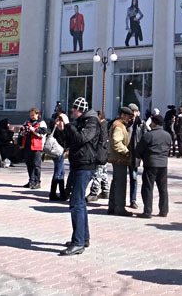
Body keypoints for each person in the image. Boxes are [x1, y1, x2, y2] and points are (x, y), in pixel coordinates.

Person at [59, 97, 100, 256]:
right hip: (78, 164)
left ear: (80, 110)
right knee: (80, 202)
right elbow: (71, 142)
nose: (72, 112)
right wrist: (63, 129)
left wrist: (68, 124)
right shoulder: (81, 122)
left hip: (86, 165)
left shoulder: (92, 122)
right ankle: (84, 238)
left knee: (76, 203)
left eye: (74, 110)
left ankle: (78, 243)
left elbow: (81, 139)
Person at [135, 114, 172, 218]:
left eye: (152, 122)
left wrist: (142, 157)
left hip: (150, 164)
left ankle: (147, 211)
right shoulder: (167, 135)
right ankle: (164, 210)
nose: (150, 124)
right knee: (163, 188)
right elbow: (169, 148)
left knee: (148, 188)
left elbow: (139, 149)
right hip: (163, 164)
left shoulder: (149, 135)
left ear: (155, 123)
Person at [108, 106, 134, 217]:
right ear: (122, 115)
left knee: (116, 182)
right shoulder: (119, 126)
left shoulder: (118, 124)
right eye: (128, 116)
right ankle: (119, 208)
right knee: (120, 184)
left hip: (118, 159)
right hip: (120, 159)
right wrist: (126, 152)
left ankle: (112, 206)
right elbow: (116, 142)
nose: (129, 119)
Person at [20, 108, 47, 190]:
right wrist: (23, 131)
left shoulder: (41, 123)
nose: (31, 116)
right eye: (30, 115)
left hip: (37, 146)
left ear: (37, 114)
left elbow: (43, 134)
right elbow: (22, 131)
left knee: (36, 165)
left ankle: (37, 182)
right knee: (29, 164)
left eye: (33, 115)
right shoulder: (27, 122)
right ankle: (31, 181)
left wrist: (33, 130)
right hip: (28, 146)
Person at [86, 110, 111, 202]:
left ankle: (94, 192)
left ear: (100, 116)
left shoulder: (102, 125)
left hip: (101, 152)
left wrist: (98, 151)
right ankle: (105, 190)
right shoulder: (105, 125)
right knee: (103, 171)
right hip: (104, 152)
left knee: (97, 172)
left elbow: (102, 140)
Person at [49, 112, 68, 201]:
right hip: (57, 152)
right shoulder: (56, 128)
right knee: (58, 172)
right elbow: (61, 140)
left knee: (61, 172)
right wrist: (56, 124)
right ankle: (53, 193)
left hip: (61, 152)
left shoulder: (63, 128)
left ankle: (62, 193)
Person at [127, 103, 143, 209]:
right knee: (119, 178)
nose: (133, 114)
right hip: (123, 154)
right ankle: (118, 200)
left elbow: (144, 137)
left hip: (134, 155)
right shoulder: (123, 122)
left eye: (135, 111)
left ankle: (133, 200)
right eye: (132, 111)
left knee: (134, 178)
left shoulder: (140, 124)